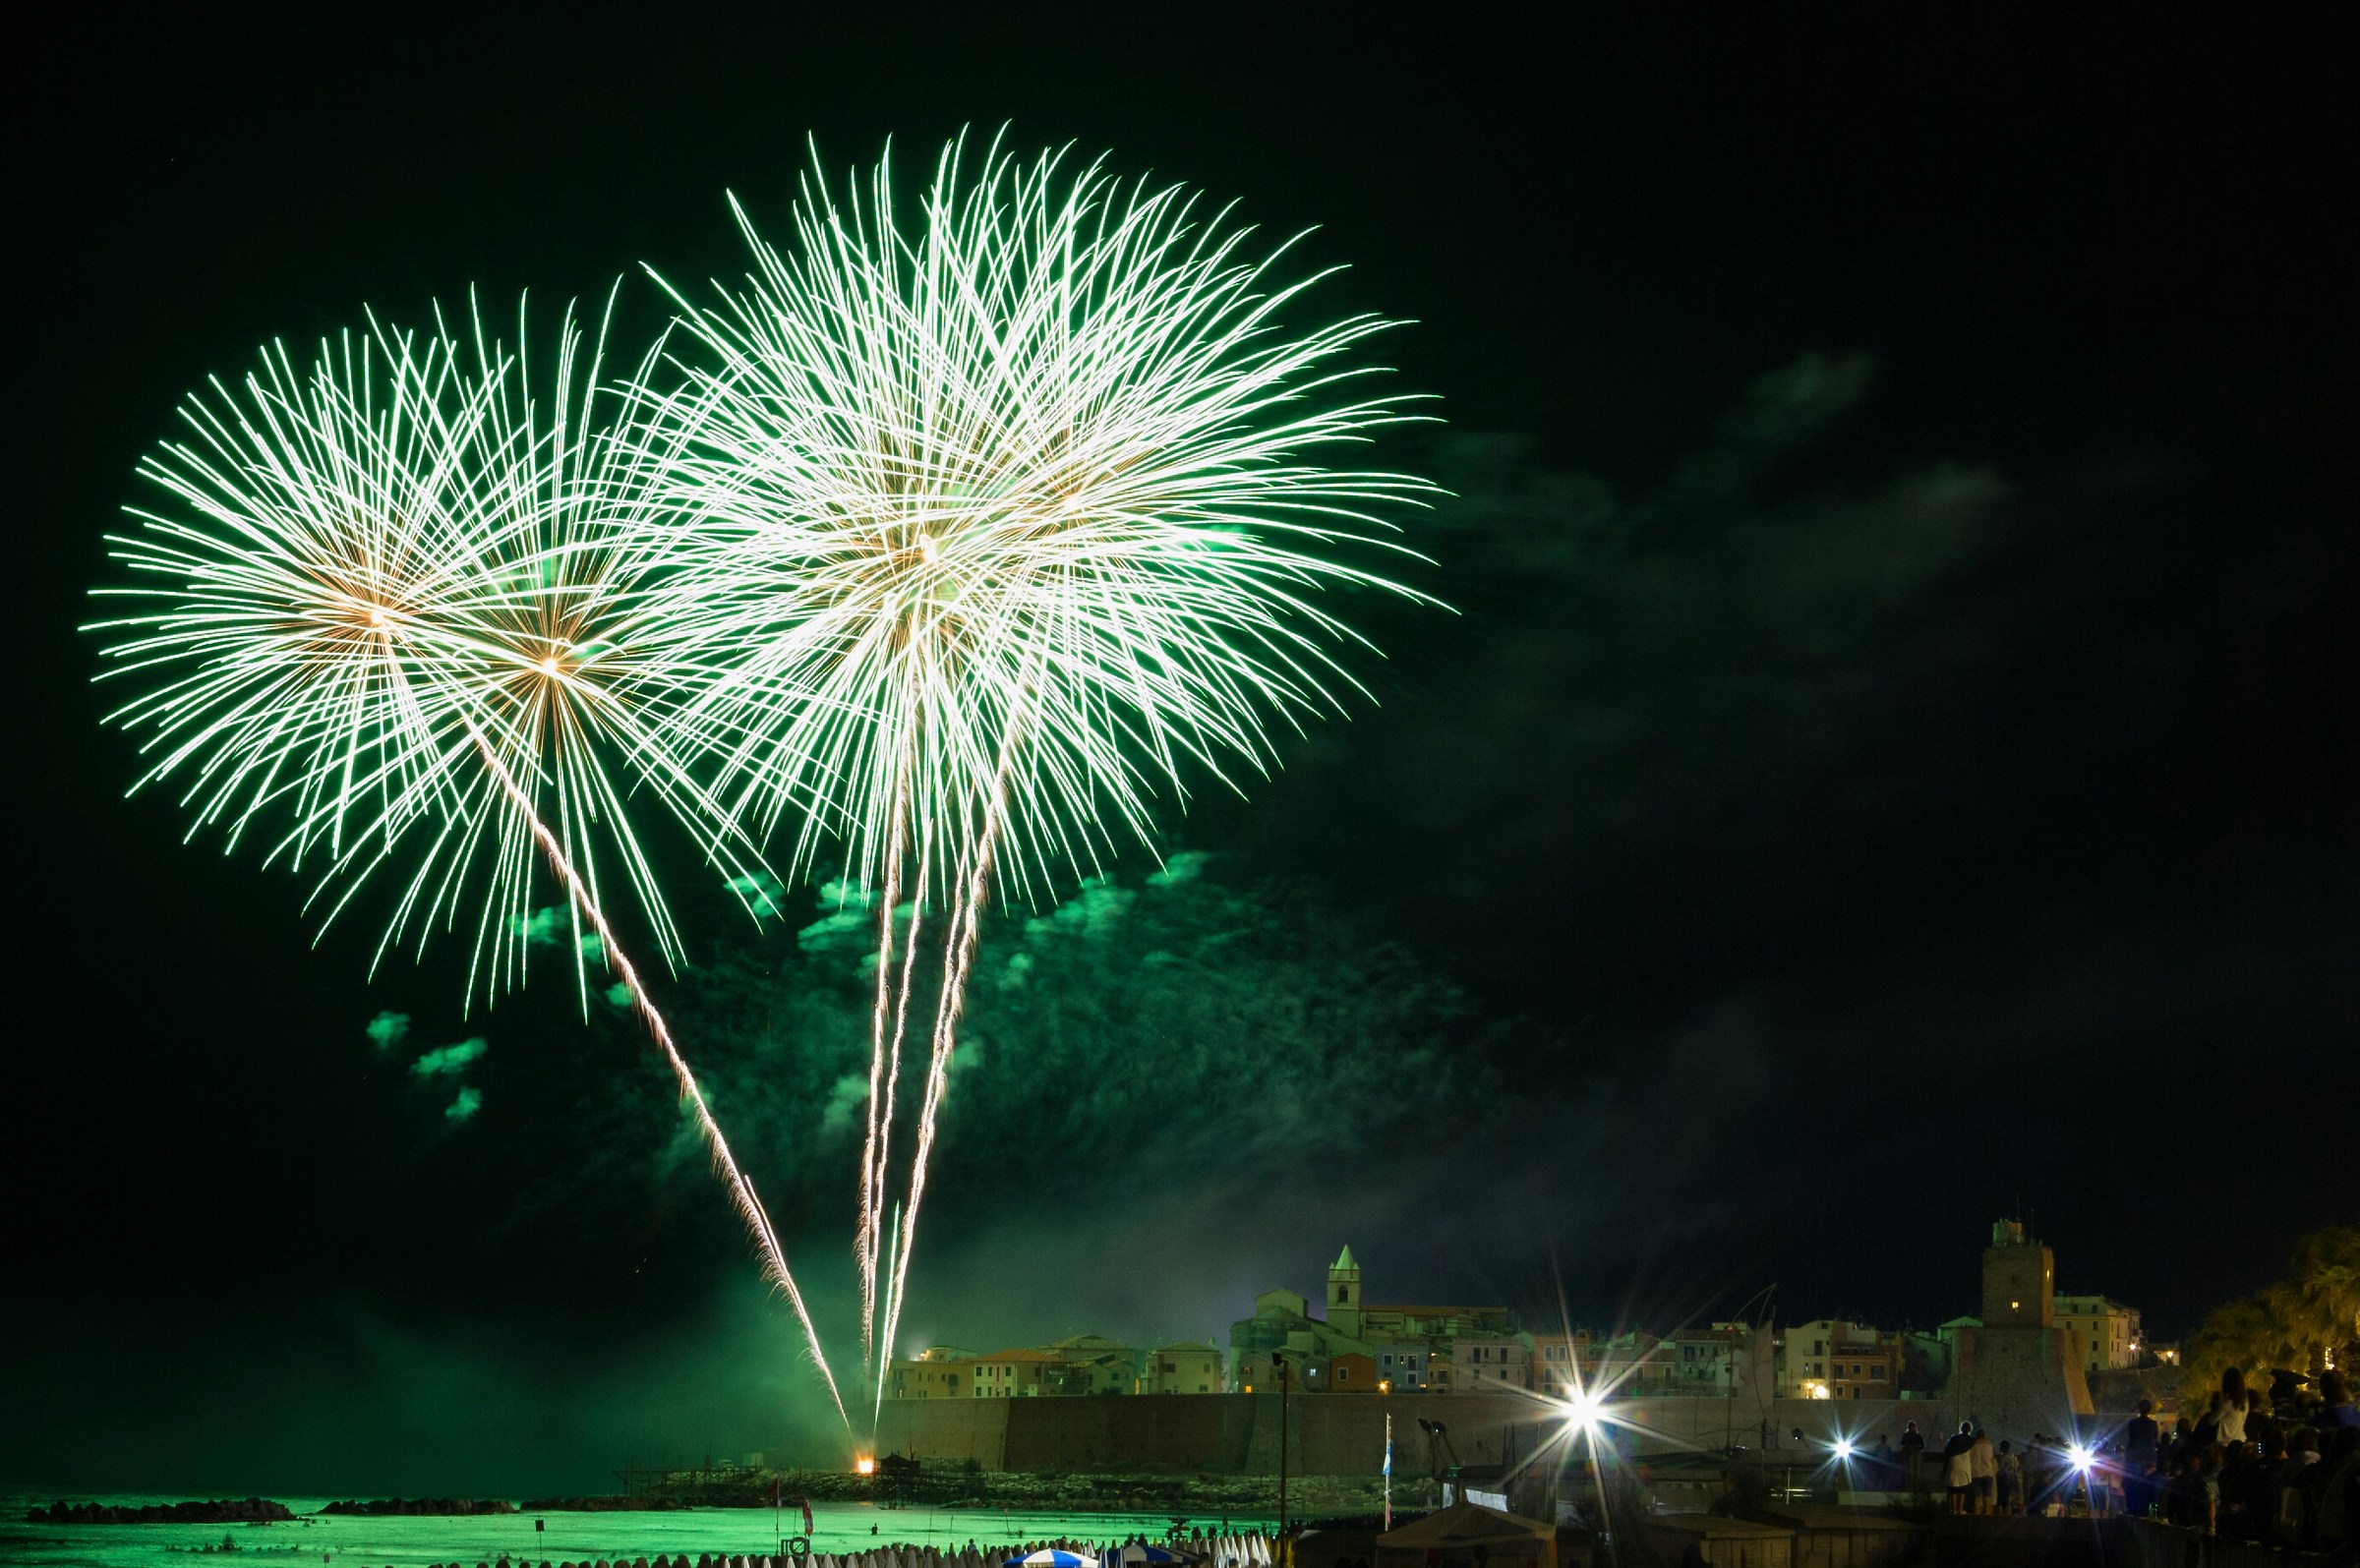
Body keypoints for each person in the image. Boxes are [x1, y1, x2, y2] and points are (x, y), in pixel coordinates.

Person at [1945, 1422, 1976, 1514]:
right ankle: (1960, 1509)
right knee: (1963, 1488)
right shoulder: (1972, 1440)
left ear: (1961, 1428)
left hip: (1953, 1463)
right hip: (1965, 1465)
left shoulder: (1954, 1438)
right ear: (1970, 1430)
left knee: (1953, 1488)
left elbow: (1947, 1450)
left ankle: (1953, 1509)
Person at [2218, 1366, 2251, 1447]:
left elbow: (2212, 1420)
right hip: (2240, 1439)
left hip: (2225, 1443)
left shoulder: (2227, 1402)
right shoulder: (2245, 1402)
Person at [1970, 1428, 1998, 1515]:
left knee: (1977, 1497)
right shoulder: (1989, 1445)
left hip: (1976, 1474)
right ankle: (1987, 1517)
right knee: (1987, 1497)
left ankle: (1977, 1516)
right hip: (1987, 1474)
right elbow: (1992, 1458)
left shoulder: (1972, 1445)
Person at [1997, 1439, 2024, 1515]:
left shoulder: (2002, 1458)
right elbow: (2017, 1469)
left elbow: (2001, 1469)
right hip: (2013, 1481)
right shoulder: (2014, 1458)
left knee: (2004, 1502)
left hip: (2004, 1480)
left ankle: (2005, 1516)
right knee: (2009, 1501)